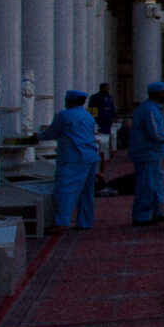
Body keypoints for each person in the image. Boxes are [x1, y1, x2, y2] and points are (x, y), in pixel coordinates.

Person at [37, 89, 101, 229]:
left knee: (66, 190)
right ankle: (85, 222)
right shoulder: (88, 116)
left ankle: (62, 221)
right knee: (86, 192)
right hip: (90, 156)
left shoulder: (64, 115)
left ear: (69, 101)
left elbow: (52, 133)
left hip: (73, 158)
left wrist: (37, 137)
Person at [128, 81, 164, 225]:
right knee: (147, 185)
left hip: (153, 153)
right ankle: (142, 216)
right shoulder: (149, 110)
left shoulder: (154, 109)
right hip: (147, 153)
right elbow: (155, 134)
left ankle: (159, 211)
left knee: (157, 183)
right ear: (159, 94)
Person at [91, 83, 119, 151]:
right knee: (100, 136)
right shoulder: (94, 98)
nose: (107, 90)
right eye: (105, 89)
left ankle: (108, 149)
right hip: (99, 120)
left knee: (108, 136)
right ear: (101, 88)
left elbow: (112, 108)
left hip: (108, 120)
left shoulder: (109, 97)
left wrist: (114, 116)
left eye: (108, 89)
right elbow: (92, 109)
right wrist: (93, 120)